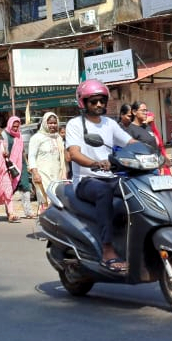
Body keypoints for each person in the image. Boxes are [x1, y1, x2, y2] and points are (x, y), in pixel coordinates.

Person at [65, 80, 137, 272]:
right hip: (86, 180)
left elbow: (129, 142)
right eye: (93, 101)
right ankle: (107, 250)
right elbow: (74, 153)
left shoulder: (109, 123)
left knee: (137, 188)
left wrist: (151, 151)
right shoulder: (75, 124)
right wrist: (96, 163)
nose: (98, 105)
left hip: (111, 176)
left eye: (101, 101)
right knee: (103, 191)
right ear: (83, 102)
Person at [28, 112, 66, 210]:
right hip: (42, 174)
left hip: (57, 175)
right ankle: (45, 222)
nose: (52, 125)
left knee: (57, 200)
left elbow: (62, 157)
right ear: (45, 123)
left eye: (54, 123)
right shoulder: (36, 138)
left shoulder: (58, 137)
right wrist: (35, 173)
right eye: (50, 123)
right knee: (47, 200)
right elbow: (31, 157)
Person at [4, 116, 35, 219]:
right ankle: (10, 212)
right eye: (14, 126)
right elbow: (2, 152)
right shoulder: (4, 135)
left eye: (17, 126)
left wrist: (27, 164)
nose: (16, 128)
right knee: (10, 189)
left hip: (21, 165)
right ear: (9, 125)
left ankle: (28, 212)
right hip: (9, 166)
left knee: (26, 187)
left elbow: (22, 151)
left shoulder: (19, 136)